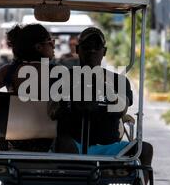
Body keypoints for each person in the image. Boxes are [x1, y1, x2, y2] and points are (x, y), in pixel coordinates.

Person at [51, 27, 153, 169]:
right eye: (87, 46)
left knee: (145, 149)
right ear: (77, 49)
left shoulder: (119, 81)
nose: (92, 50)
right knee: (62, 143)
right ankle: (71, 184)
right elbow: (52, 110)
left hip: (108, 147)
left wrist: (104, 86)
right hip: (74, 145)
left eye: (96, 46)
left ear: (103, 52)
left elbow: (122, 108)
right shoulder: (63, 77)